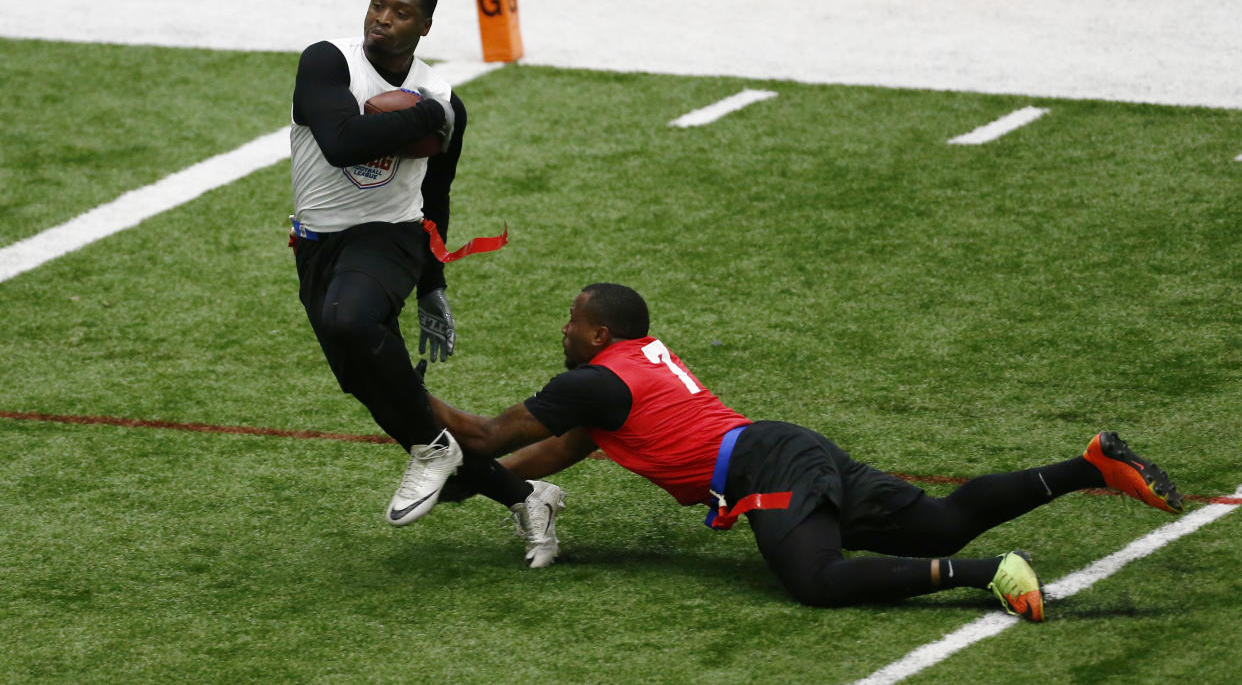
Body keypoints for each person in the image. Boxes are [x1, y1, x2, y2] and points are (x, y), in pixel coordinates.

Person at [425, 283, 1185, 619]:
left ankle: (991, 574)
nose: (562, 328)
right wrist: (476, 485)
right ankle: (1091, 466)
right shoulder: (629, 376)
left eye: (571, 320)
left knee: (818, 582)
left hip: (765, 467)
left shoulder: (594, 380)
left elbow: (492, 435)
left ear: (598, 335)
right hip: (784, 446)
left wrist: (395, 391)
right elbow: (556, 454)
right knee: (943, 521)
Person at [287, 0, 563, 566]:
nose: (383, 17)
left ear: (425, 26)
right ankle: (528, 497)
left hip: (389, 238)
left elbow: (436, 197)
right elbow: (340, 142)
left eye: (400, 12)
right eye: (377, 5)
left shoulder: (446, 102)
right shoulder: (327, 63)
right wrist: (420, 118)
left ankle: (434, 450)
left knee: (351, 323)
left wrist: (432, 284)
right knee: (384, 393)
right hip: (316, 246)